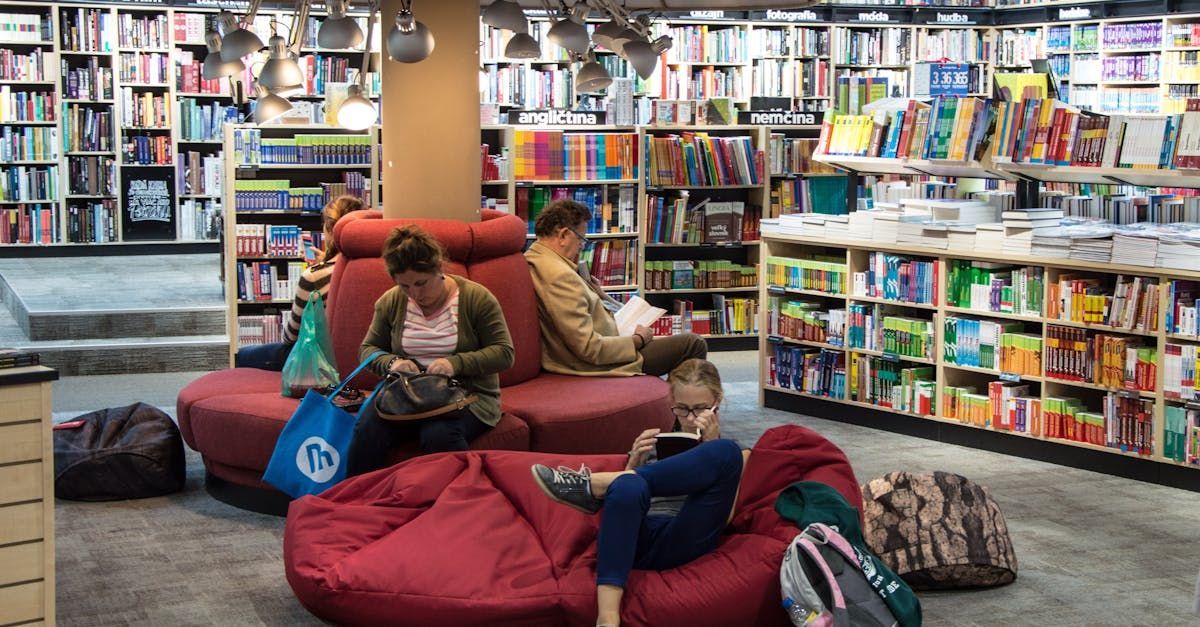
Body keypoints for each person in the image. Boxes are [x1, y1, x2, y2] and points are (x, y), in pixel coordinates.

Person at [530, 359, 749, 627]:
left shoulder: (733, 453)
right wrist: (633, 464)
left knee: (725, 452)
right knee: (628, 484)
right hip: (640, 538)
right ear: (671, 401)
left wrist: (711, 444)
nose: (691, 418)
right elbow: (623, 510)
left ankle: (592, 484)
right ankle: (607, 618)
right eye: (682, 409)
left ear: (718, 401)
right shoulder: (657, 443)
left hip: (688, 532)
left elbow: (725, 519)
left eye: (701, 409)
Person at [345, 225, 514, 476]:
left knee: (439, 435)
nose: (415, 294)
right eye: (405, 286)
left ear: (438, 268)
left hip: (466, 394)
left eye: (421, 283)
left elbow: (504, 353)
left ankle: (454, 507)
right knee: (366, 431)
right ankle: (357, 502)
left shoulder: (477, 298)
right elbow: (368, 350)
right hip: (404, 394)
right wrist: (392, 364)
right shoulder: (391, 301)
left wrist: (455, 364)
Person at [525, 199, 707, 376]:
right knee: (693, 343)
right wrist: (638, 340)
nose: (582, 247)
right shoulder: (560, 275)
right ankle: (682, 404)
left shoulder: (537, 258)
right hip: (601, 362)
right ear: (563, 235)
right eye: (581, 239)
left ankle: (677, 401)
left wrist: (601, 295)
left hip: (610, 343)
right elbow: (589, 348)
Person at [234, 195, 366, 370]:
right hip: (362, 356)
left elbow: (290, 337)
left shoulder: (315, 276)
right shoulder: (375, 269)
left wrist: (319, 269)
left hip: (321, 359)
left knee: (243, 355)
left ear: (329, 229)